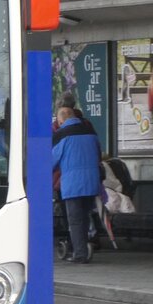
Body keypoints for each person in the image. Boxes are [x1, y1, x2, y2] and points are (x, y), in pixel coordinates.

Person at [52, 106, 103, 263]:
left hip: (72, 184)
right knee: (85, 216)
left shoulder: (61, 135)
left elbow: (51, 161)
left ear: (61, 120)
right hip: (91, 181)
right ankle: (85, 245)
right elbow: (98, 154)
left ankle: (80, 254)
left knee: (74, 219)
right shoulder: (90, 132)